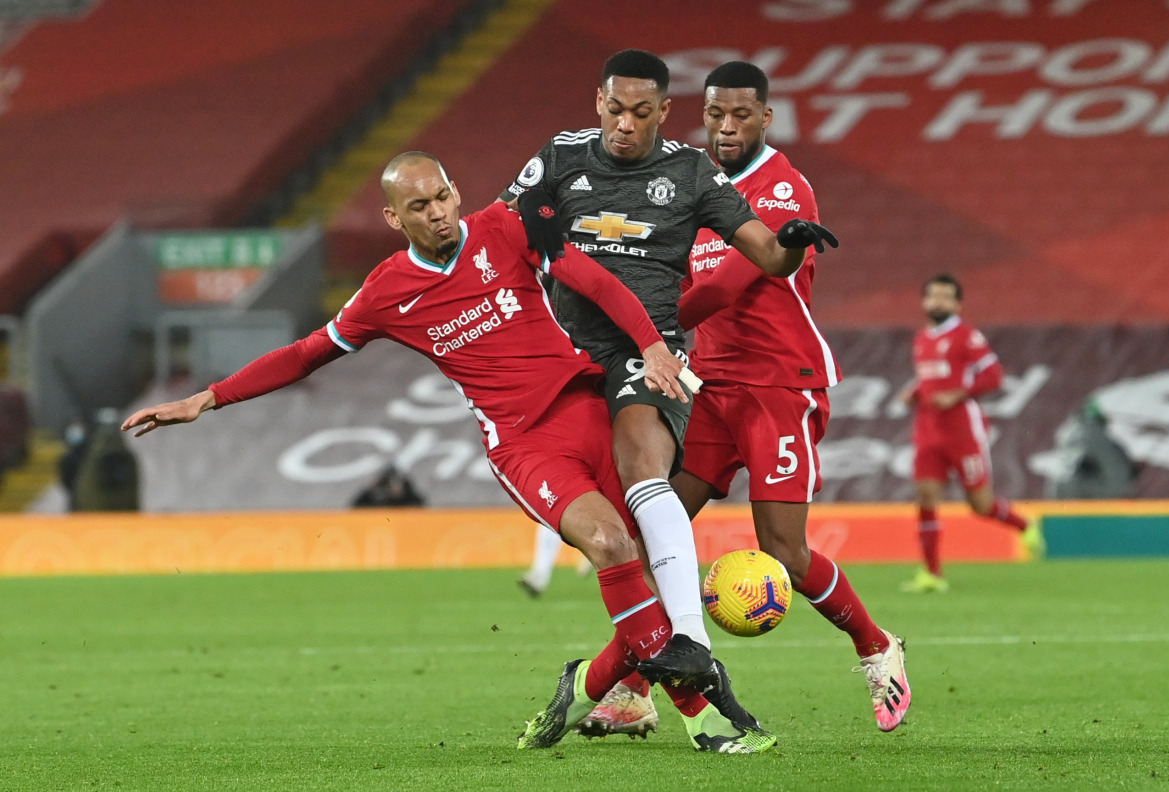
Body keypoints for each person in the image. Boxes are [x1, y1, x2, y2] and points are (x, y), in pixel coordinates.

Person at [122, 152, 773, 754]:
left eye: (442, 197)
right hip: (524, 444)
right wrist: (206, 399)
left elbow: (597, 283)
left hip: (586, 406)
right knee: (609, 545)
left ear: (456, 193)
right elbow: (304, 355)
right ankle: (705, 713)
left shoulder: (507, 228)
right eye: (420, 206)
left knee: (651, 566)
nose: (437, 213)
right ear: (392, 217)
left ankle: (587, 684)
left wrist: (653, 347)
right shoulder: (385, 291)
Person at [584, 61, 911, 736]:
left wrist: (646, 322)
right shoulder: (688, 181)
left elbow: (729, 284)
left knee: (784, 551)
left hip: (778, 386)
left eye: (740, 116)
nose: (725, 128)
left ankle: (878, 648)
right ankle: (639, 688)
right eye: (715, 115)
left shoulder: (784, 187)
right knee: (656, 537)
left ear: (765, 118)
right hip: (712, 388)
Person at [502, 49, 837, 697]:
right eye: (615, 108)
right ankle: (634, 686)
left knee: (736, 530)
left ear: (663, 112)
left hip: (715, 370)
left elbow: (750, 269)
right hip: (642, 369)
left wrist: (789, 241)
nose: (624, 124)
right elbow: (501, 225)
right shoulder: (572, 157)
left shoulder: (716, 179)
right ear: (599, 102)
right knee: (634, 528)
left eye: (640, 112)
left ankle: (858, 648)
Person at [896, 274, 1045, 594]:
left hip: (962, 431)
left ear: (957, 304)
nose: (937, 301)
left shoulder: (967, 337)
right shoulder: (922, 338)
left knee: (979, 504)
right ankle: (932, 574)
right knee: (925, 498)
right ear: (923, 301)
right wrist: (914, 392)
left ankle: (1024, 525)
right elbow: (930, 378)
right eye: (932, 295)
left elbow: (993, 376)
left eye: (945, 297)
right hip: (927, 429)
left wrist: (958, 394)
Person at [351, 463, 426, 507]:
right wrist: (368, 490)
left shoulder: (409, 497)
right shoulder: (374, 497)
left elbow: (421, 506)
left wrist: (403, 494)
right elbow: (355, 506)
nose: (389, 487)